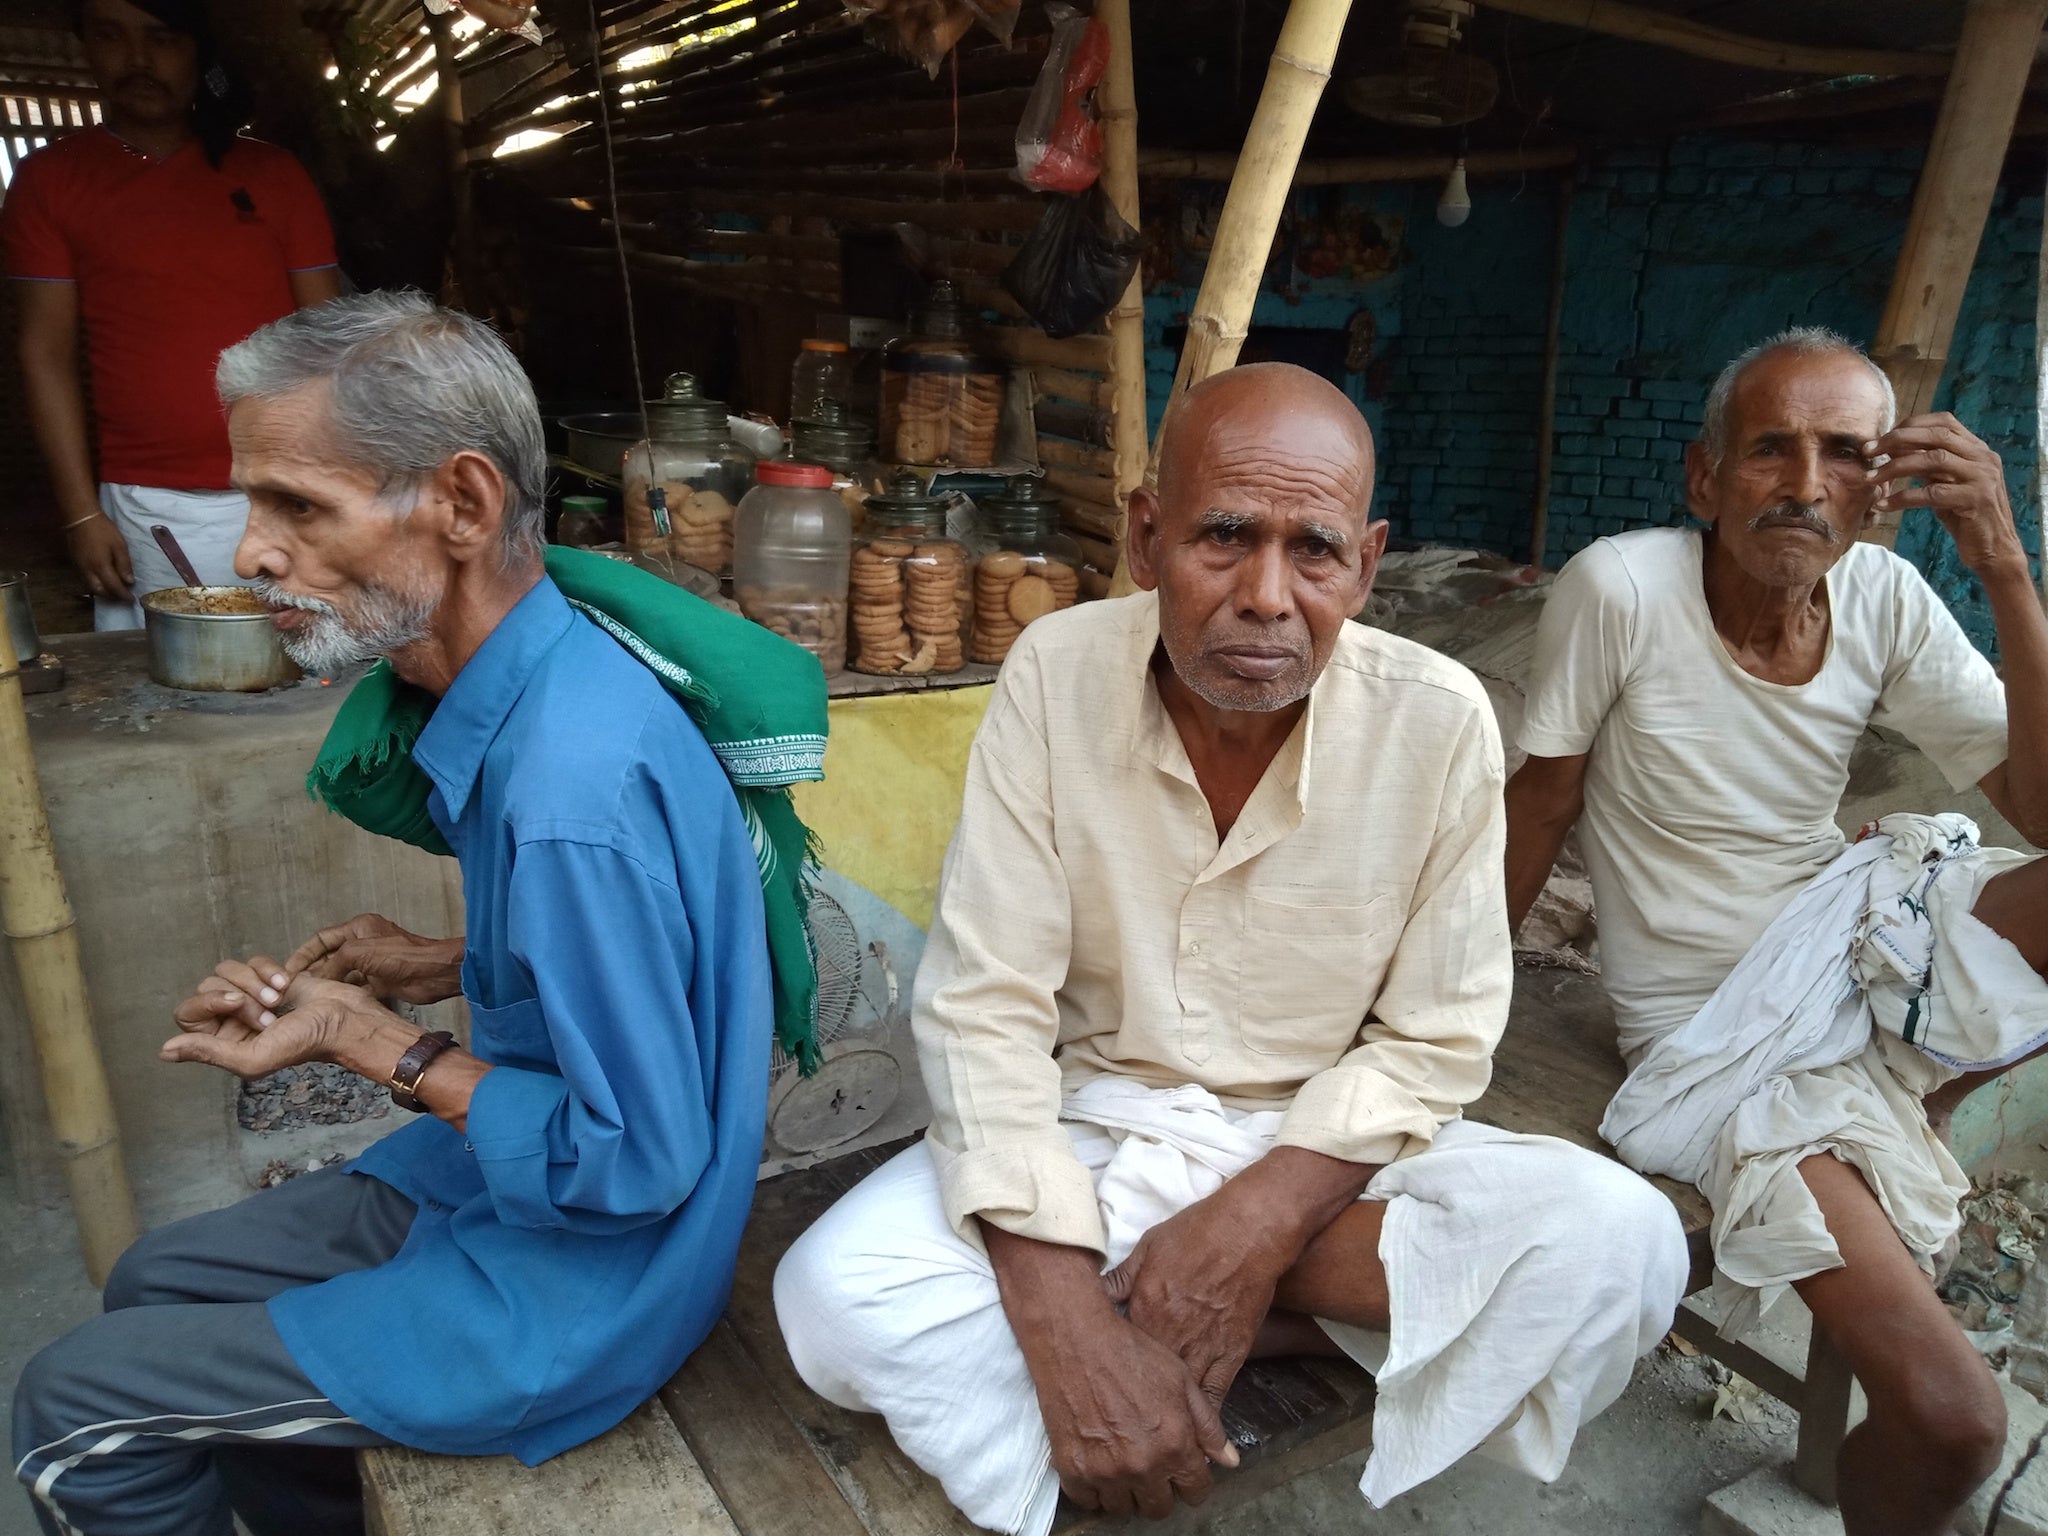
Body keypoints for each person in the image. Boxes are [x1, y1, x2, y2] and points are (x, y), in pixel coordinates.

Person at [774, 363, 1689, 1533]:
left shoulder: (1440, 718)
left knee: (1621, 1247)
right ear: (1148, 539)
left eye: (1311, 550)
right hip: (1096, 1128)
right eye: (1222, 537)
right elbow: (986, 1004)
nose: (1266, 595)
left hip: (1323, 1152)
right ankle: (1194, 1330)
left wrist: (1250, 1229)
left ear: (1364, 564)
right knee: (828, 1305)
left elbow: (1437, 1039)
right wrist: (1058, 1315)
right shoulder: (1054, 677)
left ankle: (1198, 1315)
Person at [11, 293, 786, 1536]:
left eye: (299, 507)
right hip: (502, 1185)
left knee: (73, 1405)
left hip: (589, 1279)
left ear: (464, 507)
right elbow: (647, 950)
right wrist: (448, 959)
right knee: (152, 1278)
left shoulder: (566, 790)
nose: (250, 554)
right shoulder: (543, 671)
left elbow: (640, 1163)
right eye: (254, 506)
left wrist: (368, 1040)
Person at [1504, 327, 2048, 1536]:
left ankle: (1918, 1096)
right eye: (1769, 451)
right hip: (1720, 1027)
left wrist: (2003, 561)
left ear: (1879, 488)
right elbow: (1536, 801)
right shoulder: (1621, 588)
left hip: (1842, 932)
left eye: (1845, 456)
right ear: (1703, 480)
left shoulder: (1885, 595)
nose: (1805, 486)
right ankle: (1891, 1110)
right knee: (1958, 1424)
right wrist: (1451, 1016)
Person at [4, 0, 341, 629]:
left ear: (199, 51)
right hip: (144, 507)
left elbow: (328, 343)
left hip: (288, 487)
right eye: (111, 36)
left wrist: (335, 486)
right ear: (84, 45)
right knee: (175, 695)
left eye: (162, 39)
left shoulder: (273, 175)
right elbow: (42, 351)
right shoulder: (50, 181)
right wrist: (81, 513)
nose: (138, 61)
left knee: (308, 684)